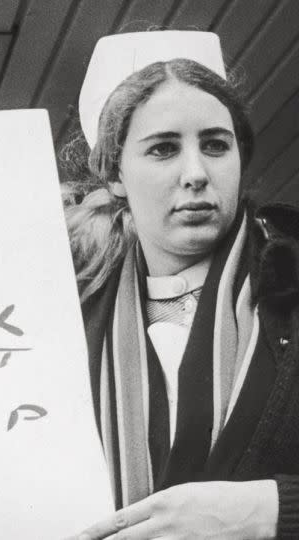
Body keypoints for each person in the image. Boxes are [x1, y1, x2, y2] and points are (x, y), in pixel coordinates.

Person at [64, 31, 299, 539]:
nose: (196, 172)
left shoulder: (291, 284)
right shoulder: (63, 318)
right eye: (164, 149)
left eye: (216, 145)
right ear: (115, 173)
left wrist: (274, 510)